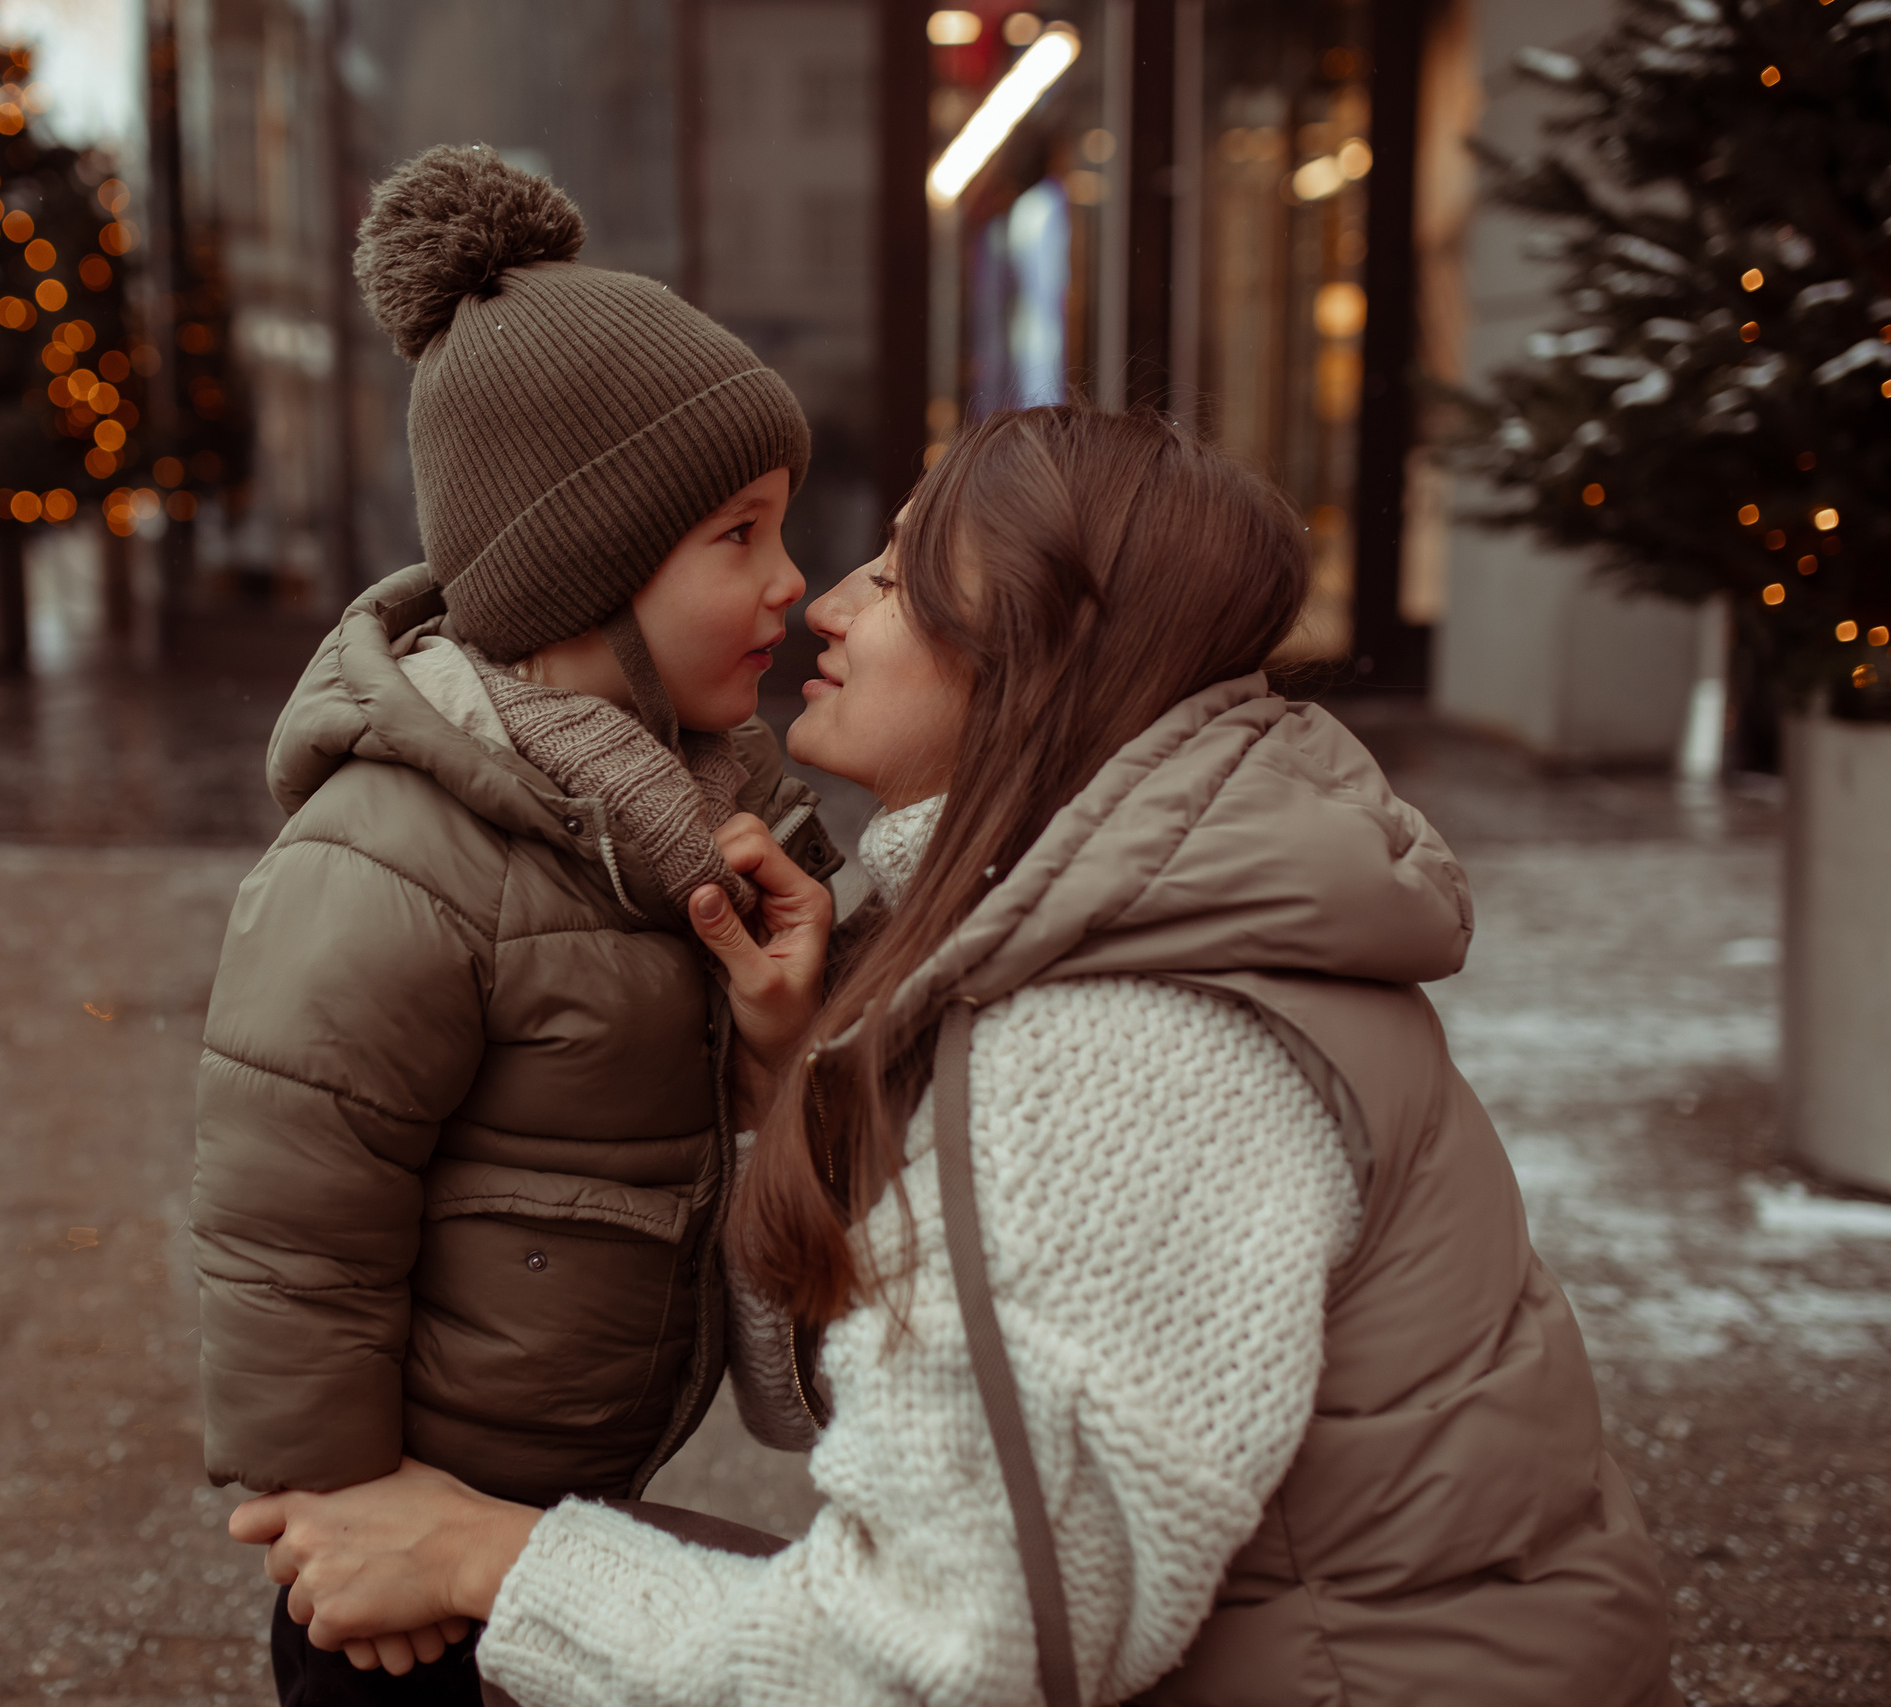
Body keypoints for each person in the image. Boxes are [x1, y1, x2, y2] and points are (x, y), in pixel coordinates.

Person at [228, 406, 1684, 1706]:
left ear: (1038, 646)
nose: (826, 598)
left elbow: (940, 1658)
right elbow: (852, 1409)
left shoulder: (1123, 1046)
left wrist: (487, 1556)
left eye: (900, 574)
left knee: (502, 1645)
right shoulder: (1119, 916)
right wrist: (790, 1076)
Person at [191, 143, 841, 1706]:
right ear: (584, 571)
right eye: (737, 536)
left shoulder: (712, 812)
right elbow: (291, 1226)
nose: (795, 583)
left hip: (561, 1526)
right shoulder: (398, 851)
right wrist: (346, 1504)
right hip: (402, 1556)